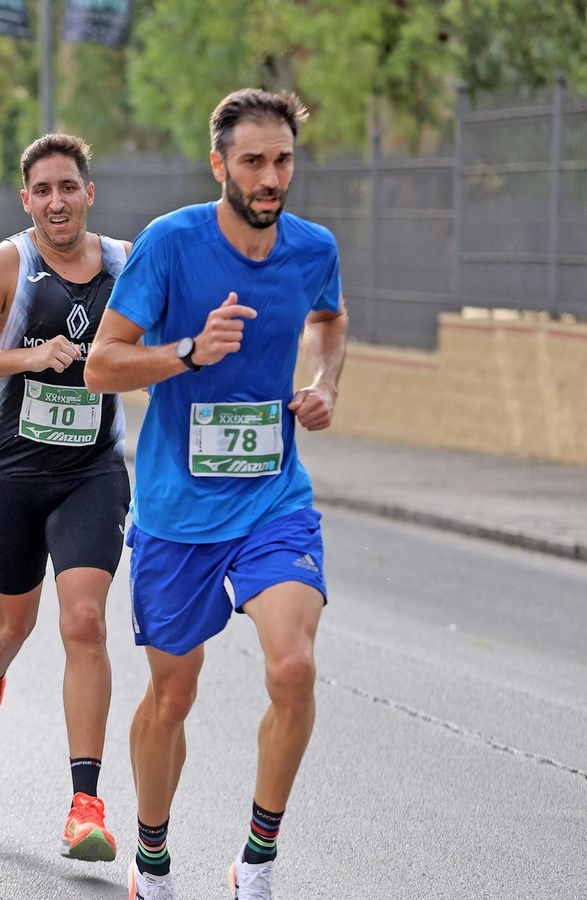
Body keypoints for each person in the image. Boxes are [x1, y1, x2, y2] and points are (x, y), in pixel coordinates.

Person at [84, 89, 348, 900]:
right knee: (172, 694)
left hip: (273, 496)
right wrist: (189, 353)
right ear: (219, 166)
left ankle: (256, 862)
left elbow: (331, 322)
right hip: (176, 510)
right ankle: (153, 859)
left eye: (283, 161)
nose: (272, 178)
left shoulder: (313, 248)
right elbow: (102, 365)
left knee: (295, 668)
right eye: (254, 162)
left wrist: (322, 384)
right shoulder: (171, 244)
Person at [0, 134, 132, 864]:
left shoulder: (127, 266)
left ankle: (85, 806)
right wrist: (28, 357)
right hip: (11, 473)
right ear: (26, 200)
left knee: (85, 623)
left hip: (93, 473)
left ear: (88, 194)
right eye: (41, 190)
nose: (56, 201)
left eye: (67, 187)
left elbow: (160, 348)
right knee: (14, 626)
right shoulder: (8, 266)